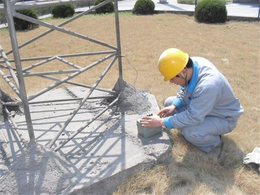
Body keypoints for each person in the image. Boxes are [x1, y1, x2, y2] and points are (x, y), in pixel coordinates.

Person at [140, 48, 243, 158]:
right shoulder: (190, 66)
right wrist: (174, 106)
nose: (170, 82)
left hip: (223, 117)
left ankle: (214, 144)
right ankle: (204, 127)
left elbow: (193, 117)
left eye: (172, 78)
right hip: (205, 107)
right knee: (169, 102)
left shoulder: (208, 85)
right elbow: (185, 90)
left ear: (183, 72)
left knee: (189, 131)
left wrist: (161, 122)